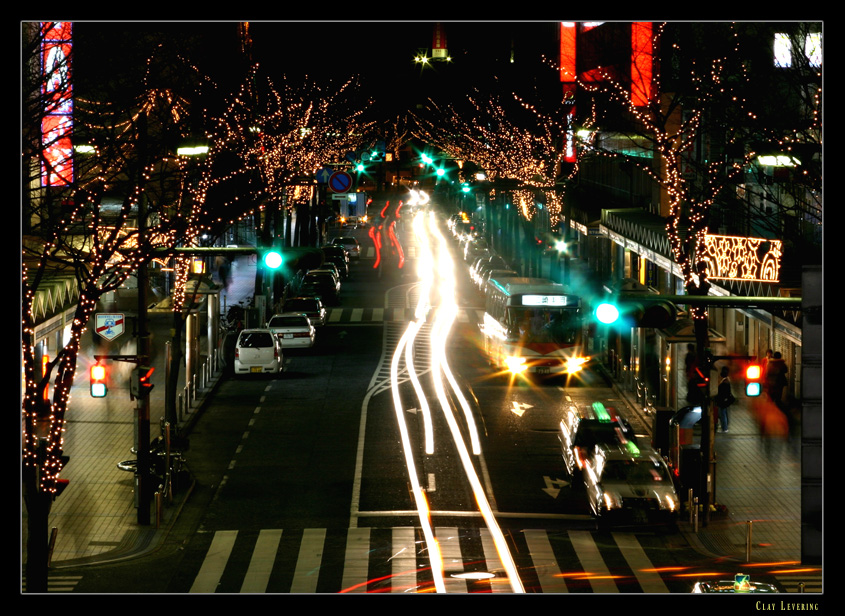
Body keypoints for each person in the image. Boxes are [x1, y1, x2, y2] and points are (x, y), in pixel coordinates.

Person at [714, 366, 735, 432]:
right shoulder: (727, 380)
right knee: (724, 413)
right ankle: (725, 426)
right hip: (725, 399)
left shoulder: (724, 382)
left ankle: (725, 427)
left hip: (722, 400)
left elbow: (721, 391)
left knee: (722, 414)